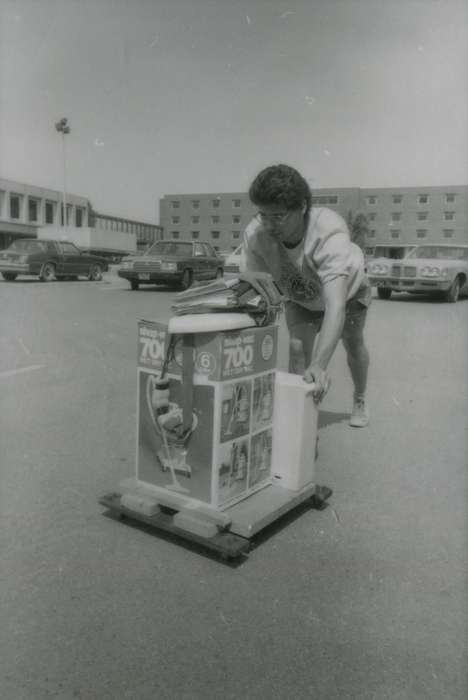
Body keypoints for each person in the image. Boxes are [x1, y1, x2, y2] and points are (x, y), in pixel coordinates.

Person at [242, 164, 371, 427]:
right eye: (262, 214)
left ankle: (359, 398)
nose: (267, 225)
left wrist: (320, 364)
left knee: (353, 343)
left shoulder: (329, 230)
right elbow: (254, 293)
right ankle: (300, 417)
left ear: (302, 207)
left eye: (277, 216)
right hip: (302, 294)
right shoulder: (255, 234)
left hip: (348, 292)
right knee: (298, 348)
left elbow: (335, 305)